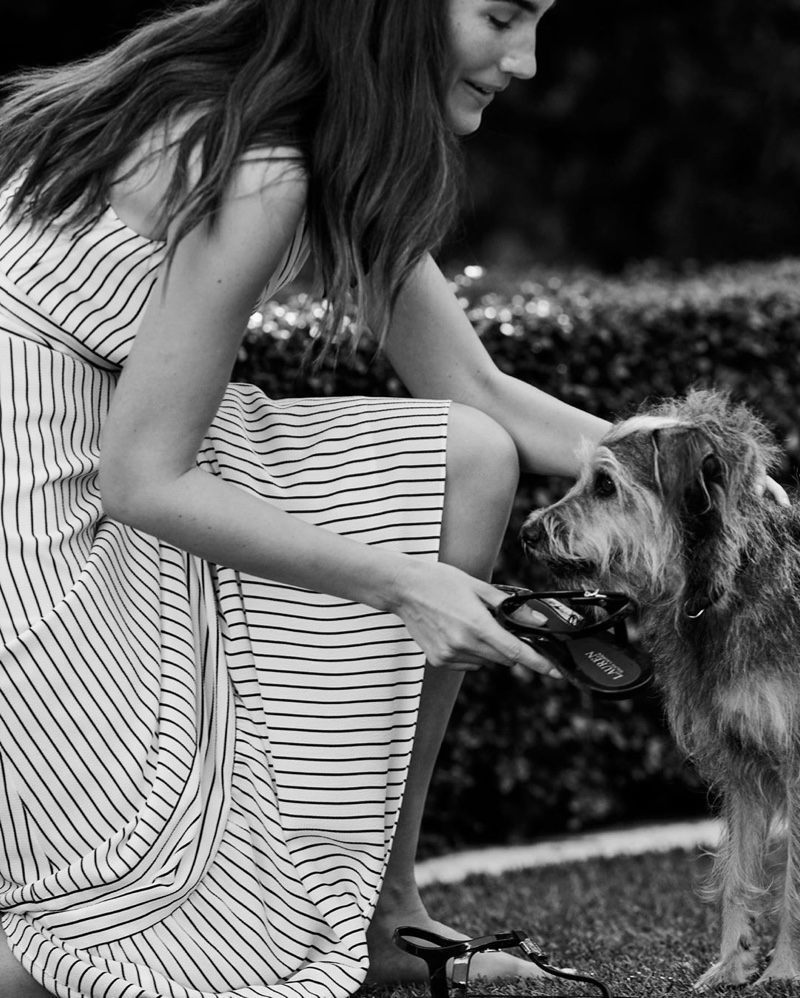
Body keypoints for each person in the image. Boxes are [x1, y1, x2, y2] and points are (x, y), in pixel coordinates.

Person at [0, 1, 788, 996]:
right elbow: (142, 478)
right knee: (129, 931)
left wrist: (702, 479)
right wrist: (403, 583)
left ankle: (385, 915)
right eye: (500, 16)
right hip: (40, 502)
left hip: (122, 436)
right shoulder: (262, 164)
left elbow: (479, 392)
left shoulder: (327, 143)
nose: (527, 62)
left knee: (468, 453)